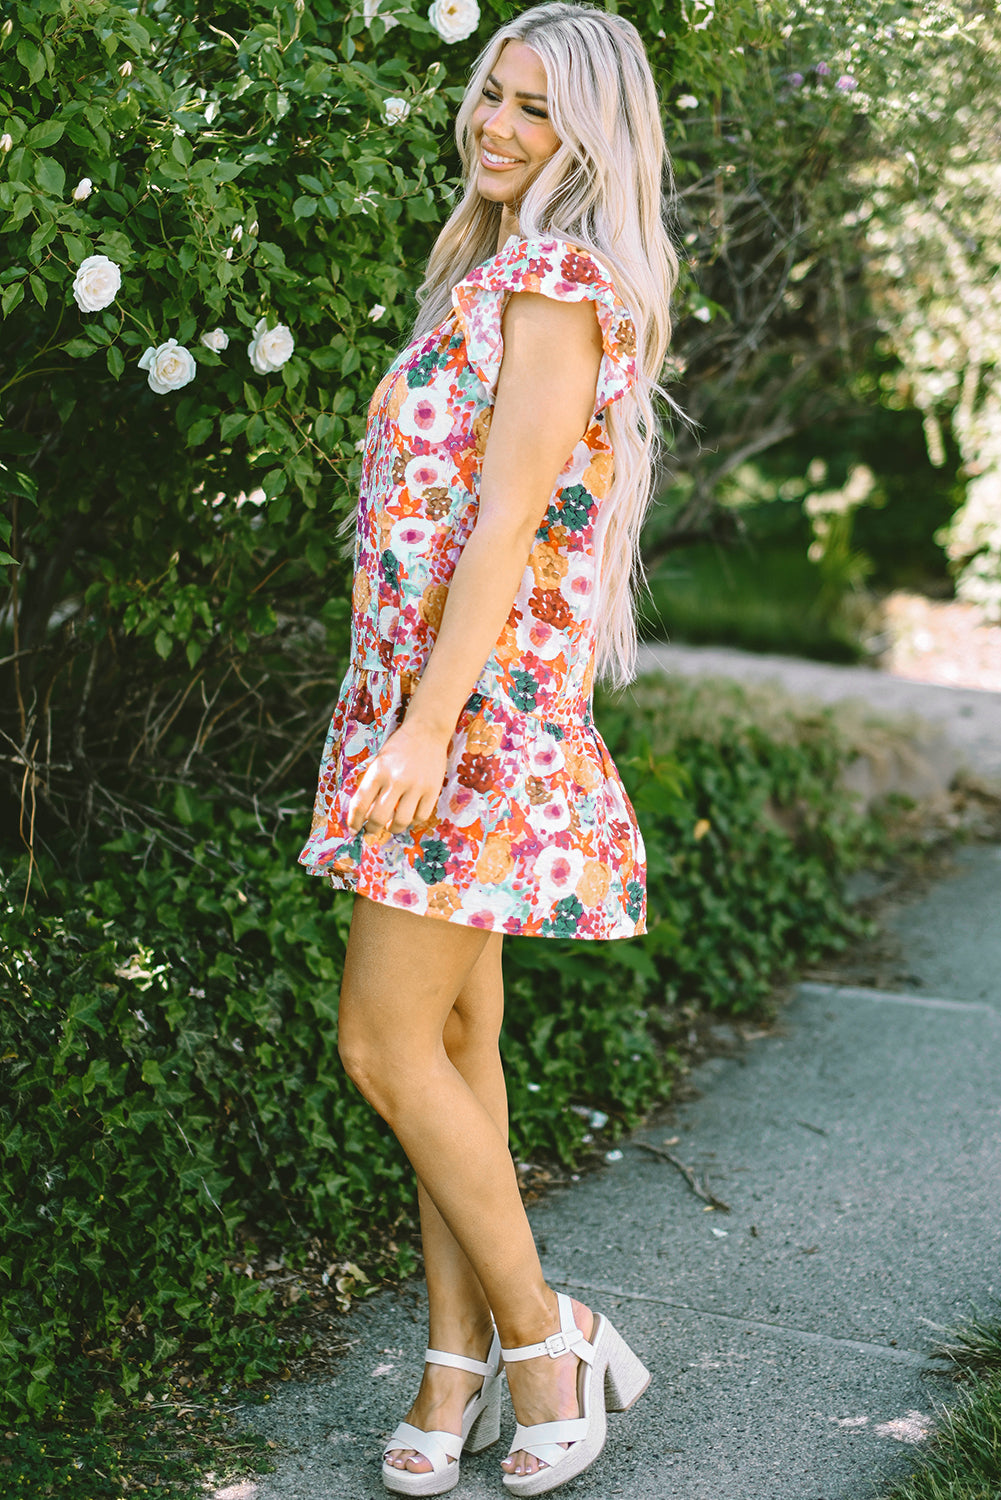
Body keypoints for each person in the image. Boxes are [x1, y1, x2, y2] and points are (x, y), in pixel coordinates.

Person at [299, 3, 678, 1492]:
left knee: (379, 1041)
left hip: (472, 725)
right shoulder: (486, 269)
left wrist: (427, 727)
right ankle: (453, 1366)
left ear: (591, 139)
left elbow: (511, 521)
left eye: (536, 109)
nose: (498, 125)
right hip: (428, 700)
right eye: (491, 94)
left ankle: (545, 1334)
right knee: (455, 1045)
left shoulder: (558, 278)